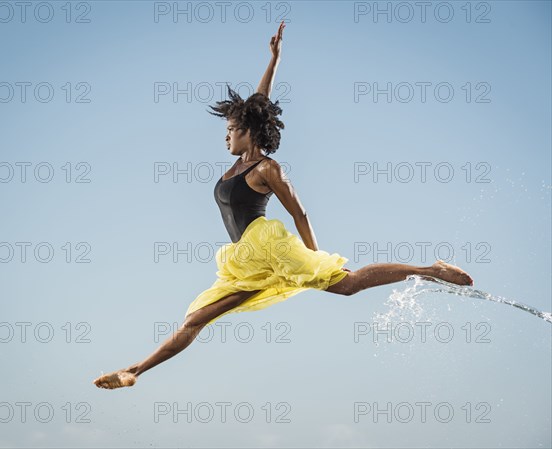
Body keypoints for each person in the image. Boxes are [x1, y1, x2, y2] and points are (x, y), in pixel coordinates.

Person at [93, 21, 473, 390]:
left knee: (348, 284)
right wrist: (273, 60)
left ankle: (432, 269)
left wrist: (315, 257)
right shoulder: (239, 162)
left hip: (268, 247)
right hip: (246, 259)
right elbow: (258, 105)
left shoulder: (266, 168)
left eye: (230, 130)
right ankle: (135, 372)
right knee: (196, 317)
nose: (225, 136)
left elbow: (299, 212)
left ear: (247, 132)